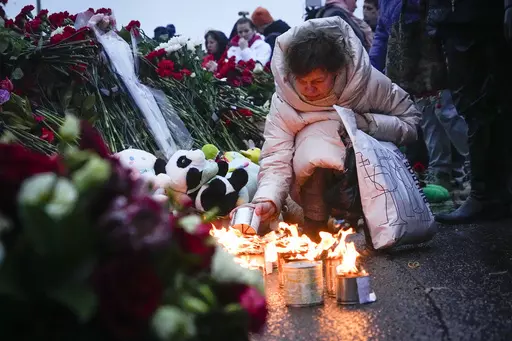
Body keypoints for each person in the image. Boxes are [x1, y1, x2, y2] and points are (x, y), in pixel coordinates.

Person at [230, 17, 420, 239]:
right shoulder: (284, 101)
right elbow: (276, 155)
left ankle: (364, 218)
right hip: (310, 184)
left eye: (318, 81)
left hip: (374, 179)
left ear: (336, 71)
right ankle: (316, 220)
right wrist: (267, 199)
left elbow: (410, 121)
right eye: (302, 81)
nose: (309, 89)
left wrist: (366, 124)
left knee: (335, 129)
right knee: (318, 137)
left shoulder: (367, 84)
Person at [369, 0, 469, 196]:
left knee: (448, 114)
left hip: (437, 57)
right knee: (429, 119)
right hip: (411, 67)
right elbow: (383, 32)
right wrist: (371, 69)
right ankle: (441, 175)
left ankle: (478, 172)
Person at [429, 0, 512, 224]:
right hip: (460, 18)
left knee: (481, 103)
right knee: (479, 105)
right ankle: (492, 194)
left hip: (474, 17)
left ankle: (485, 196)